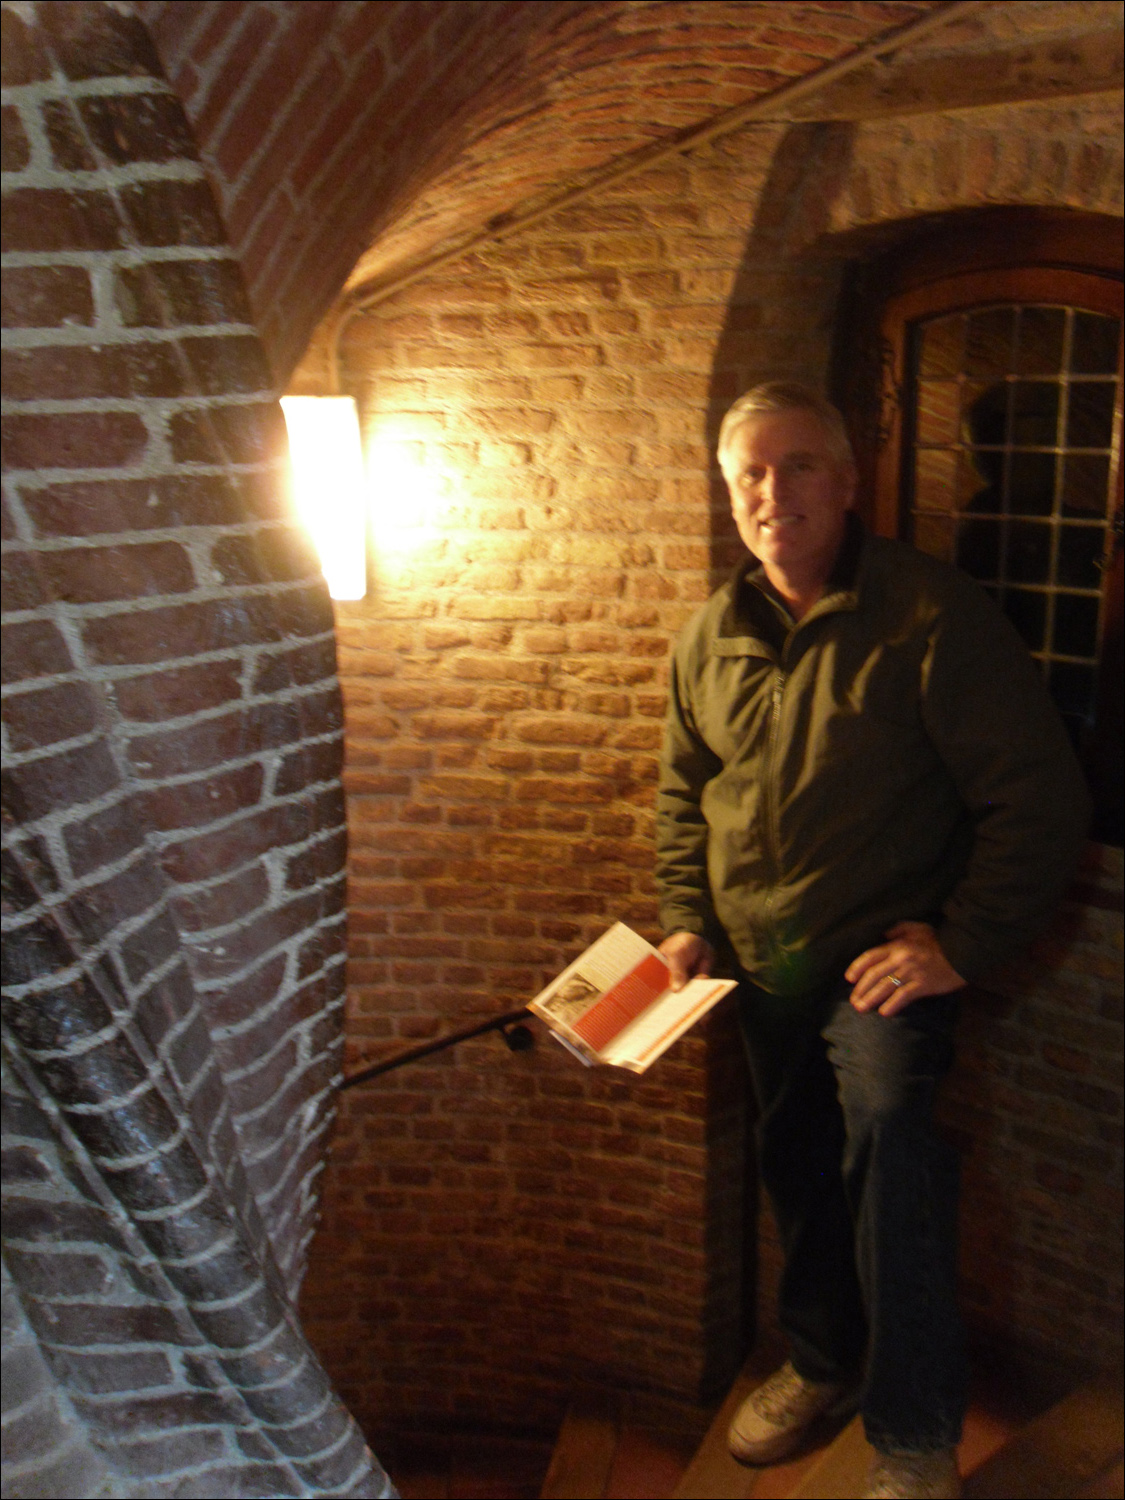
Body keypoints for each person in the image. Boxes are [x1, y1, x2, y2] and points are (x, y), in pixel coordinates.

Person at [654, 382, 1089, 1500]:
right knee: (797, 1177)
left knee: (892, 1172)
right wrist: (687, 925)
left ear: (849, 484)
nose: (772, 492)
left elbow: (1036, 800)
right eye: (751, 471)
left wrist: (960, 942)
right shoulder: (712, 637)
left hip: (876, 973)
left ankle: (913, 1434)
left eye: (800, 466)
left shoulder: (930, 616)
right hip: (762, 969)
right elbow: (682, 795)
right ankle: (822, 1364)